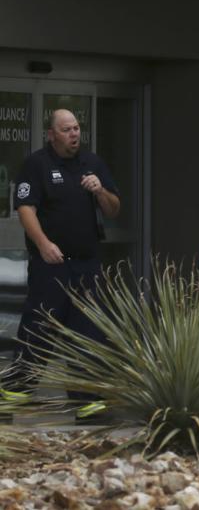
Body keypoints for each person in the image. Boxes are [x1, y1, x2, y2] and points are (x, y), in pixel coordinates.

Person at [2, 109, 120, 420]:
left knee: (88, 334)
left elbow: (113, 209)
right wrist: (43, 244)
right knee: (38, 330)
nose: (74, 134)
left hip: (86, 267)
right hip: (51, 266)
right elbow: (26, 209)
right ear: (51, 134)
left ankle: (88, 402)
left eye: (77, 128)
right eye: (66, 130)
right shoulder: (37, 164)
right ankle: (14, 395)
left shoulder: (92, 164)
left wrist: (101, 190)